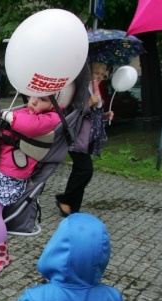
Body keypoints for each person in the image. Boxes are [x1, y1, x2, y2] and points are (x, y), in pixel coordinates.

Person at [0, 96, 62, 277]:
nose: (33, 102)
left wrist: (7, 116)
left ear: (54, 104)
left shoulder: (51, 118)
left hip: (11, 173)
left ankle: (1, 256)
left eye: (41, 99)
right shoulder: (28, 111)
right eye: (32, 96)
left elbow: (27, 126)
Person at [56, 62, 113, 216]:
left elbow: (92, 116)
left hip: (88, 137)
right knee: (85, 170)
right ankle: (65, 200)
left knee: (80, 170)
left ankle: (73, 206)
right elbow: (73, 111)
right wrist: (89, 103)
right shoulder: (81, 89)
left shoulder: (94, 90)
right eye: (97, 73)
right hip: (77, 136)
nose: (100, 77)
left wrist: (105, 115)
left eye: (102, 74)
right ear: (89, 73)